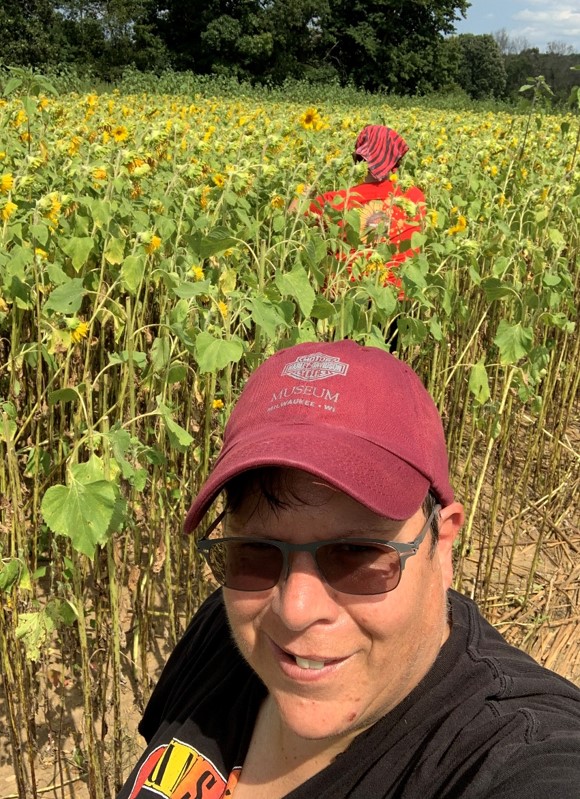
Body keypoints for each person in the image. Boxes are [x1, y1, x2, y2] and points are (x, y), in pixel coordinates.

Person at [117, 340, 580, 799]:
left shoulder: (503, 753)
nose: (295, 609)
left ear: (441, 546)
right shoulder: (224, 634)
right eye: (256, 550)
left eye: (356, 554)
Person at [307, 125, 426, 292]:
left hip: (345, 295)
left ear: (358, 158)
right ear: (395, 160)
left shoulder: (334, 202)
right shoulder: (414, 197)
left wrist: (306, 195)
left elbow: (292, 216)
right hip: (398, 294)